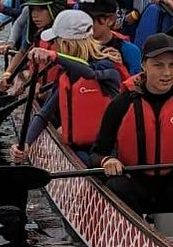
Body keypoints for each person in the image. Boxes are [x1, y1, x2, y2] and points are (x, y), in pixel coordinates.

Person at [90, 33, 173, 217]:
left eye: (172, 65)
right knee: (114, 185)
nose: (167, 73)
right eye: (158, 65)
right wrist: (108, 160)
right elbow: (96, 153)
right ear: (143, 65)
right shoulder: (122, 104)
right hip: (136, 186)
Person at [13, 9, 123, 160]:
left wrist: (55, 57)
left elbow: (89, 73)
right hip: (78, 150)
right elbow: (44, 114)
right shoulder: (66, 74)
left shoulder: (106, 66)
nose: (53, 47)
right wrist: (25, 143)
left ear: (66, 44)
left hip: (109, 152)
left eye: (55, 43)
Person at [0, 0, 68, 89]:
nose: (35, 15)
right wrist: (8, 74)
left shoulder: (70, 39)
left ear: (55, 9)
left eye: (41, 9)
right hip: (39, 90)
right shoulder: (37, 34)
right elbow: (23, 52)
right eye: (33, 9)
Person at [78, 0, 142, 76]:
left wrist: (120, 68)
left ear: (110, 20)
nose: (82, 24)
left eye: (89, 18)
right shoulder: (73, 46)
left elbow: (135, 86)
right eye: (79, 18)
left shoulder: (129, 51)